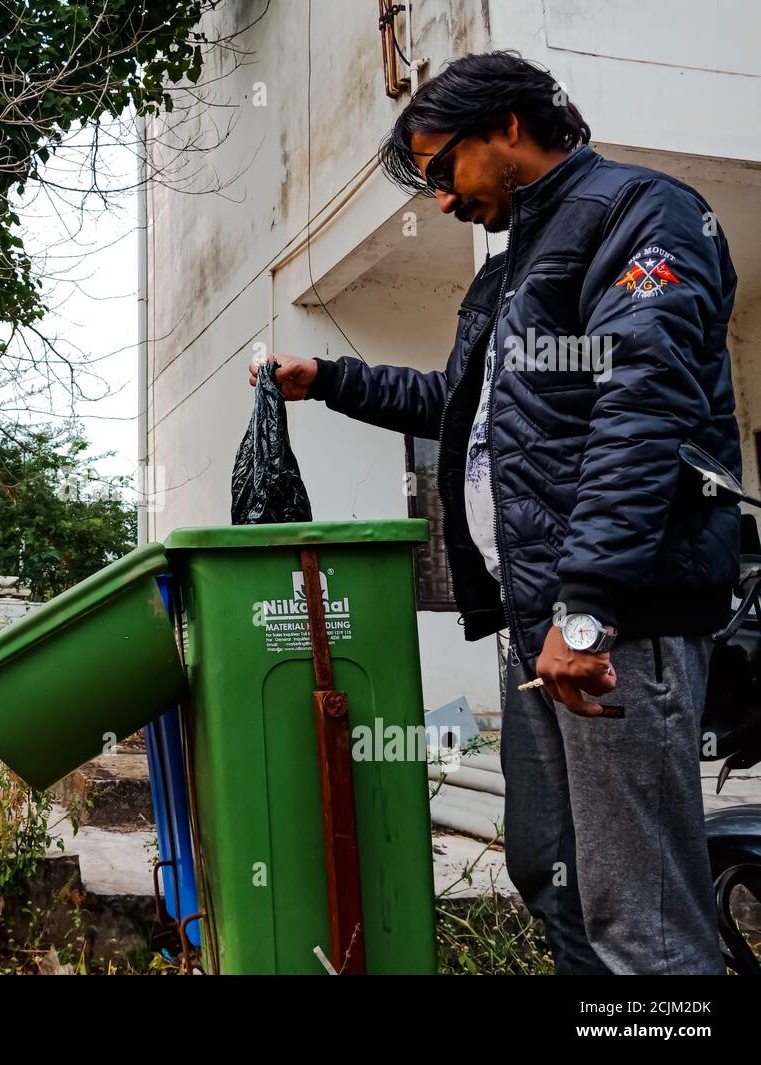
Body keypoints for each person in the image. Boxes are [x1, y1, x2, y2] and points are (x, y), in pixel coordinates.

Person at [252, 51, 740, 975]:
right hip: (539, 634)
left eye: (445, 172)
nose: (442, 201)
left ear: (508, 127)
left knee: (643, 918)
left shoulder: (646, 216)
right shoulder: (508, 273)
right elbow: (457, 400)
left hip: (613, 628)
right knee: (552, 876)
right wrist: (331, 381)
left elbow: (642, 411)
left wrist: (585, 608)